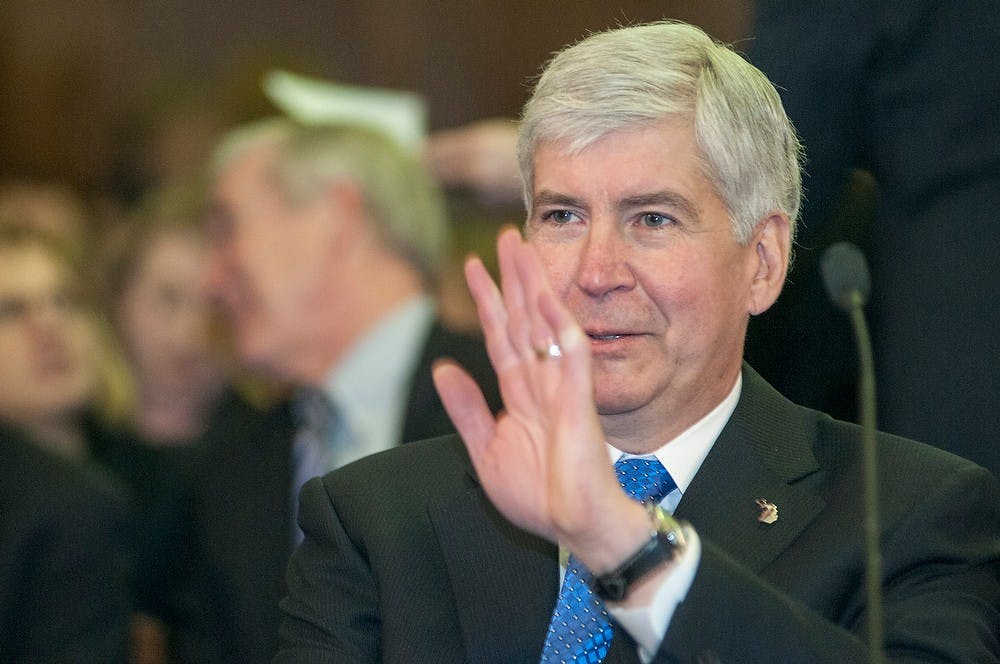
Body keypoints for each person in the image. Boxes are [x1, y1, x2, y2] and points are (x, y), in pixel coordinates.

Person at [277, 21, 1000, 663]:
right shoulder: (371, 519)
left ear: (764, 262)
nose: (596, 273)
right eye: (562, 216)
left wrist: (623, 543)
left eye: (652, 219)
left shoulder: (908, 518)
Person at [184, 118, 500, 662]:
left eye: (226, 229)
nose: (210, 280)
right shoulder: (229, 468)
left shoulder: (516, 406)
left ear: (338, 219)